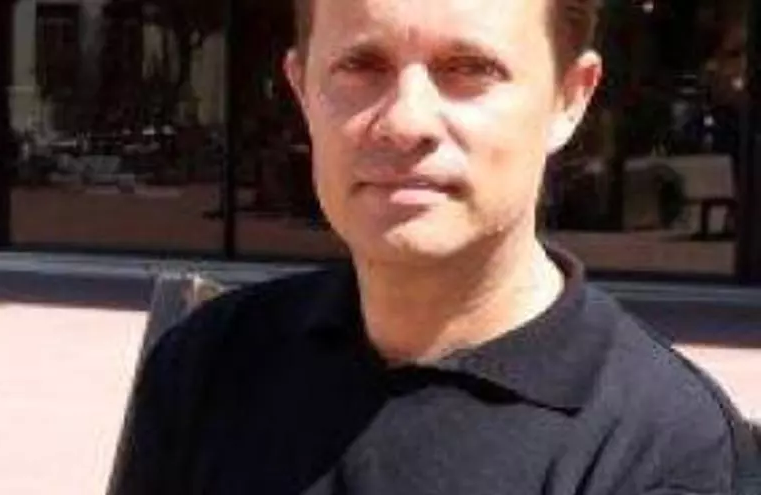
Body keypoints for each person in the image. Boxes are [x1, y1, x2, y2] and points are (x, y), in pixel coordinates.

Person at [110, 0, 739, 493]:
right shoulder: (210, 364)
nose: (405, 122)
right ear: (302, 91)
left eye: (469, 69)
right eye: (361, 66)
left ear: (569, 98)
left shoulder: (661, 452)